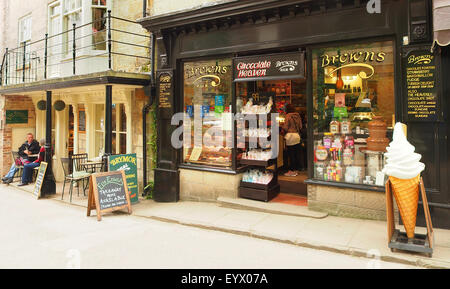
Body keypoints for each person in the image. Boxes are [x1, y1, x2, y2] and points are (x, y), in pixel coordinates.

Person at [282, 104, 302, 177]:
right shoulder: (298, 115)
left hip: (290, 136)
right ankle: (296, 169)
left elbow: (286, 127)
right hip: (297, 136)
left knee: (291, 154)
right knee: (296, 153)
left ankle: (292, 171)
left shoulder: (288, 116)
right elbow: (300, 126)